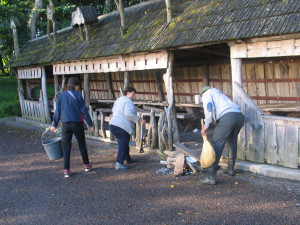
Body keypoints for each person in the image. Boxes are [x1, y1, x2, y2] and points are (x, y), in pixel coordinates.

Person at [50, 77, 94, 178]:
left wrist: (54, 125)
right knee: (82, 144)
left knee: (66, 147)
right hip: (77, 124)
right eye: (78, 86)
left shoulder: (61, 96)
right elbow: (84, 111)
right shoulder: (78, 95)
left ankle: (66, 170)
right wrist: (90, 124)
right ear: (76, 85)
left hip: (65, 124)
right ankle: (86, 165)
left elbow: (57, 112)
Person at [200, 86, 244, 185]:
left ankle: (210, 177)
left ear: (203, 93)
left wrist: (206, 124)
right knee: (232, 142)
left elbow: (209, 107)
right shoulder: (220, 94)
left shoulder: (207, 94)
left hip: (228, 117)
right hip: (239, 116)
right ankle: (230, 169)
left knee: (216, 143)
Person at [109, 87, 146, 170]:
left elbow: (113, 110)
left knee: (123, 143)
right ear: (128, 93)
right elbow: (128, 114)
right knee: (123, 144)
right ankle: (119, 163)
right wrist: (139, 120)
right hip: (121, 126)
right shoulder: (128, 101)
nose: (133, 96)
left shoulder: (119, 100)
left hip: (113, 124)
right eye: (132, 94)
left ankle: (128, 159)